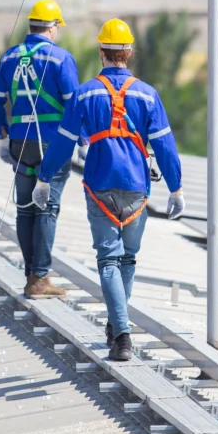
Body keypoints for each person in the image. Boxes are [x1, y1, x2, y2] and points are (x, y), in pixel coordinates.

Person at [34, 18, 184, 361]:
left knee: (109, 260)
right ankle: (119, 329)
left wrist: (44, 178)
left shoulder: (85, 93)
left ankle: (121, 333)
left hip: (99, 184)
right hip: (136, 187)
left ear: (101, 51)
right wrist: (175, 188)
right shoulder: (148, 95)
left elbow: (63, 142)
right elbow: (164, 146)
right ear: (128, 52)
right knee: (126, 258)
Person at [0, 0, 79, 299]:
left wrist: (1, 135)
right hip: (52, 144)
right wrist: (82, 140)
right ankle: (40, 278)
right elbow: (74, 106)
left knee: (25, 209)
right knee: (47, 209)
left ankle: (31, 275)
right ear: (52, 28)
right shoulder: (61, 59)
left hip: (20, 143)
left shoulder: (8, 57)